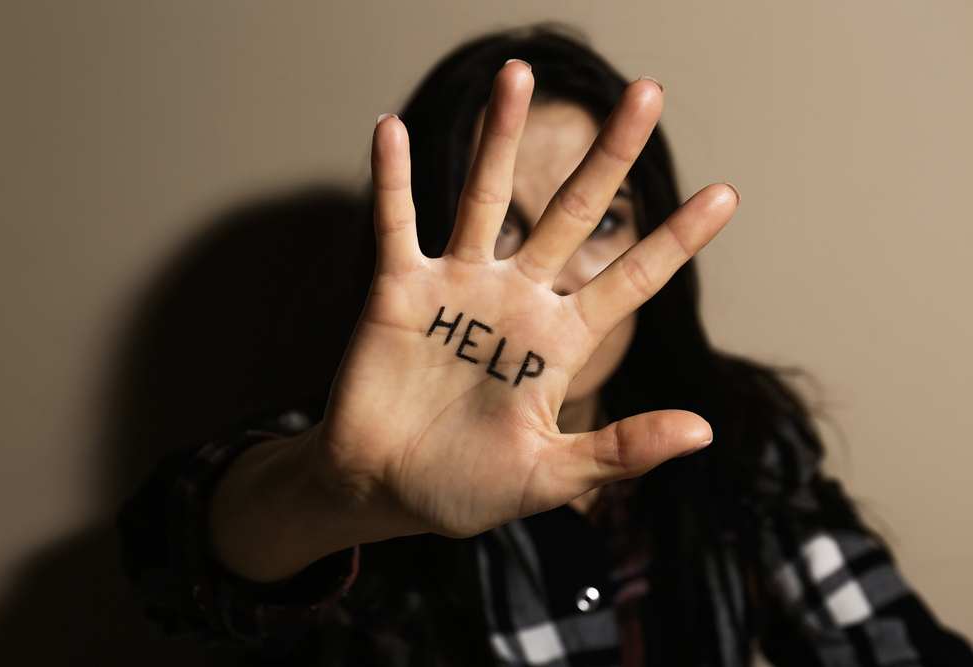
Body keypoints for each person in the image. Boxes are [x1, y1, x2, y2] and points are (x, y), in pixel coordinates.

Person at [118, 26, 973, 666]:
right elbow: (173, 555)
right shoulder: (347, 453)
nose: (553, 274)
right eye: (497, 226)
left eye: (602, 220)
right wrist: (333, 492)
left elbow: (886, 642)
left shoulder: (733, 434)